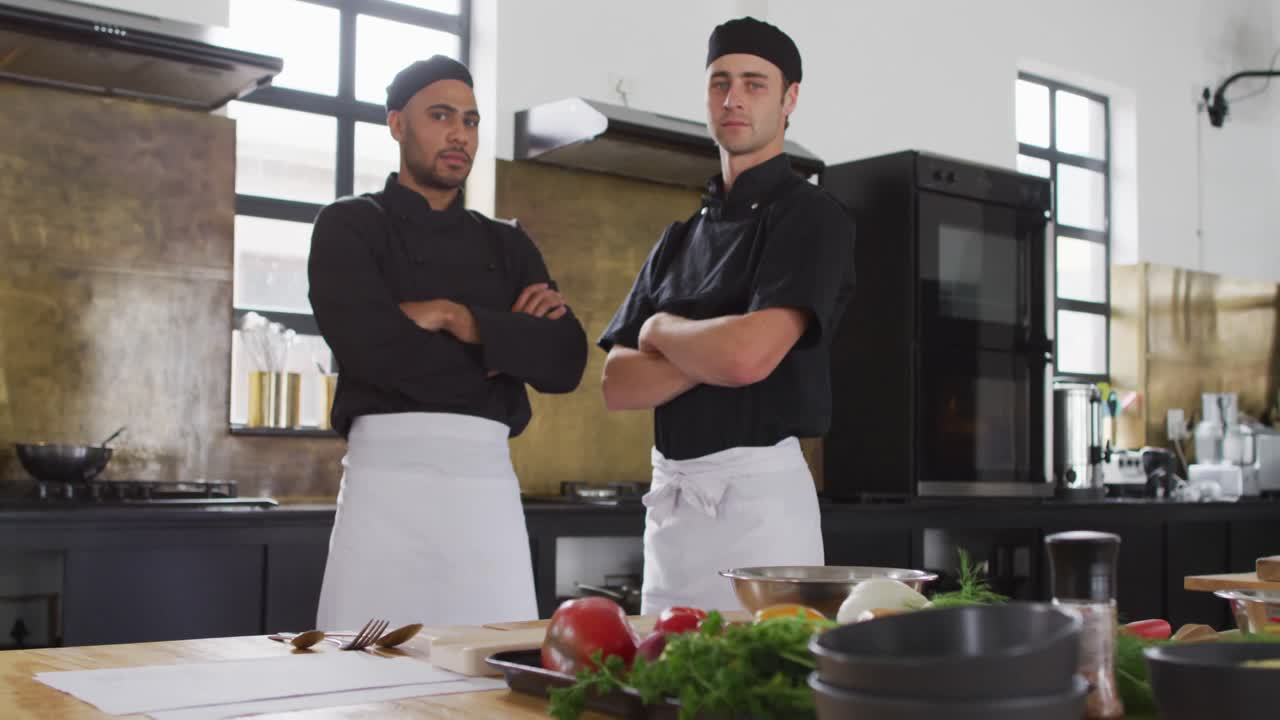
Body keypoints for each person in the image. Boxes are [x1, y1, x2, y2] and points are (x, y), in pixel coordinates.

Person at [308, 55, 587, 629]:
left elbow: (564, 361)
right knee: (365, 686)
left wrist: (460, 320)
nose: (460, 133)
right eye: (441, 115)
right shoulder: (348, 226)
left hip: (485, 495)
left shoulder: (508, 244)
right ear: (396, 124)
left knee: (491, 682)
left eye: (472, 120)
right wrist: (504, 346)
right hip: (384, 493)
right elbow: (369, 350)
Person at [598, 18, 856, 614]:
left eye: (753, 83)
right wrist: (719, 348)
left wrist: (662, 332)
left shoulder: (813, 217)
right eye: (719, 82)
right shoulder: (678, 238)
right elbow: (618, 384)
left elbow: (747, 357)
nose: (732, 98)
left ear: (790, 99)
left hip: (761, 514)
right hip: (673, 517)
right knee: (663, 693)